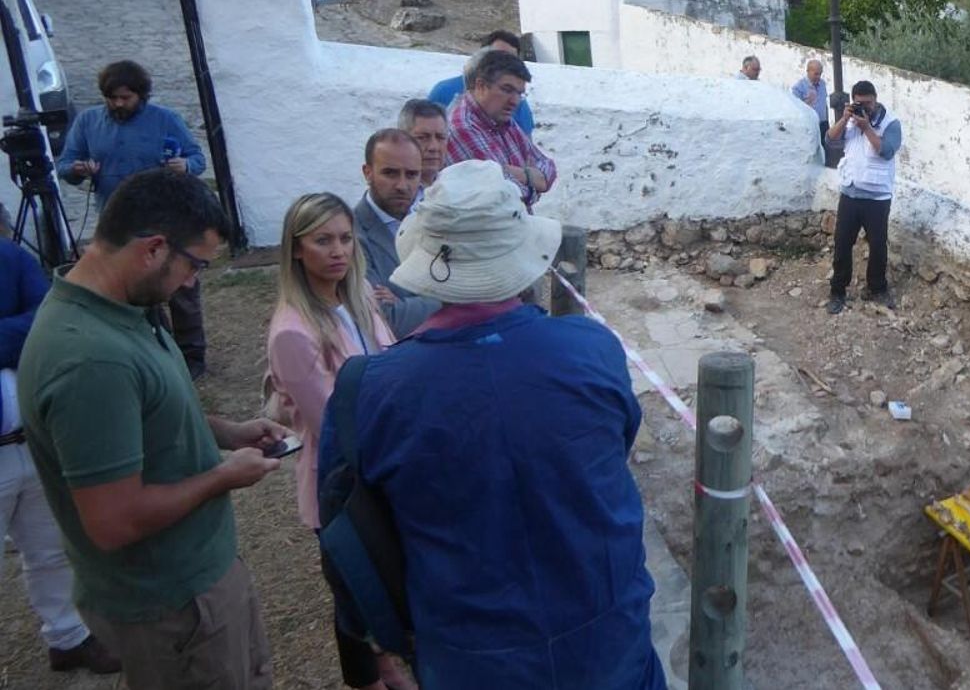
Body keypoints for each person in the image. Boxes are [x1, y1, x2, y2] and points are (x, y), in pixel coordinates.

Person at [320, 161, 666, 688]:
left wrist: (375, 647)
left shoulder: (367, 390)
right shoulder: (592, 350)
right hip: (608, 640)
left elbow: (344, 527)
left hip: (470, 656)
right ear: (520, 252)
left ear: (425, 254)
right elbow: (614, 448)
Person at [17, 169, 286, 690]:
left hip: (197, 583)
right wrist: (224, 476)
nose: (193, 282)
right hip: (171, 608)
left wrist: (225, 432)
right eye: (195, 265)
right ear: (154, 248)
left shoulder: (123, 308)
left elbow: (145, 417)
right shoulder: (90, 360)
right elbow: (113, 521)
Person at [265, 193, 411, 690]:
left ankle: (389, 664)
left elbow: (389, 359)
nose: (338, 251)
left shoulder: (358, 297)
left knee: (382, 580)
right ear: (296, 249)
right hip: (342, 482)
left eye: (345, 238)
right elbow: (332, 423)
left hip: (380, 464)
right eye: (322, 240)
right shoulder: (293, 330)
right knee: (353, 589)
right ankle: (368, 679)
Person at [0, 235, 121, 675]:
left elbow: (41, 320)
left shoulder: (9, 257)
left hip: (27, 439)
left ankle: (68, 636)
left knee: (51, 545)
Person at [56, 60, 210, 379]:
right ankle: (158, 348)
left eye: (125, 97)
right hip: (118, 223)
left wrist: (186, 166)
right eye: (112, 98)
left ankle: (193, 354)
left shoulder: (165, 120)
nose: (118, 104)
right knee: (137, 287)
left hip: (167, 220)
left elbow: (198, 158)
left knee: (180, 286)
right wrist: (78, 169)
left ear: (141, 95)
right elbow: (65, 164)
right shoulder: (88, 122)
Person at [825, 80, 903, 314]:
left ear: (875, 99)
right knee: (842, 244)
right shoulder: (849, 121)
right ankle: (837, 291)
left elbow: (887, 151)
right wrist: (844, 118)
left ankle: (877, 288)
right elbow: (830, 141)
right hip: (850, 193)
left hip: (877, 197)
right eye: (859, 104)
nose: (864, 108)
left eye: (867, 104)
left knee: (878, 246)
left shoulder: (891, 123)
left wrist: (867, 128)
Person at [445, 48, 557, 208]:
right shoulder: (463, 128)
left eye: (520, 93)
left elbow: (547, 166)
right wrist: (532, 177)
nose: (515, 101)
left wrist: (520, 173)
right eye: (507, 90)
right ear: (481, 86)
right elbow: (511, 197)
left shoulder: (501, 119)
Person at [354, 129, 440, 336]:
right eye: (390, 173)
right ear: (368, 173)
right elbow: (387, 320)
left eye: (411, 174)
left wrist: (405, 304)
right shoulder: (350, 234)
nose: (402, 186)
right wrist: (453, 297)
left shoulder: (434, 219)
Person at [429, 30, 535, 134]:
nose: (505, 63)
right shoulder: (443, 91)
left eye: (511, 59)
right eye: (497, 56)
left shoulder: (518, 102)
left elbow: (526, 144)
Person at [398, 98, 449, 188]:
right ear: (402, 140)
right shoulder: (394, 195)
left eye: (440, 137)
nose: (433, 147)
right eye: (422, 138)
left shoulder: (454, 187)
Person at [792, 59, 834, 166]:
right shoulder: (799, 87)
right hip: (809, 124)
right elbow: (795, 108)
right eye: (816, 74)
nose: (818, 77)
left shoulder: (822, 84)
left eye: (820, 74)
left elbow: (824, 103)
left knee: (826, 147)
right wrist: (807, 102)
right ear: (808, 71)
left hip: (823, 122)